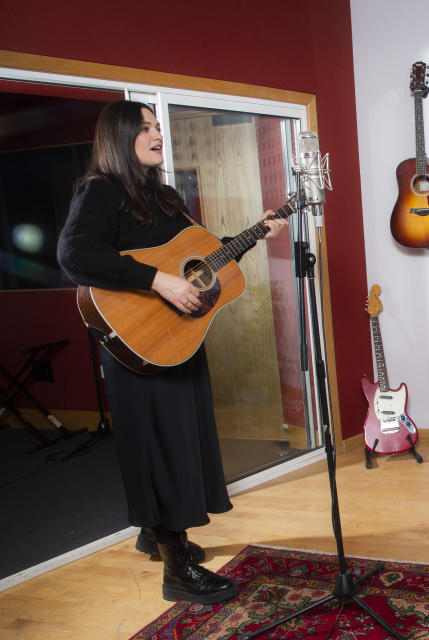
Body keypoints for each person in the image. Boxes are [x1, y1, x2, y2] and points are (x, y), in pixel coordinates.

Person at [57, 100, 287, 604]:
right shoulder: (99, 191)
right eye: (144, 128)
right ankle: (177, 571)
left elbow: (201, 261)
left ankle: (157, 534)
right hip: (136, 346)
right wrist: (156, 280)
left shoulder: (161, 195)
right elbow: (74, 255)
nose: (156, 133)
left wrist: (254, 235)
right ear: (118, 138)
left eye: (157, 126)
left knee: (182, 444)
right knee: (157, 449)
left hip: (176, 341)